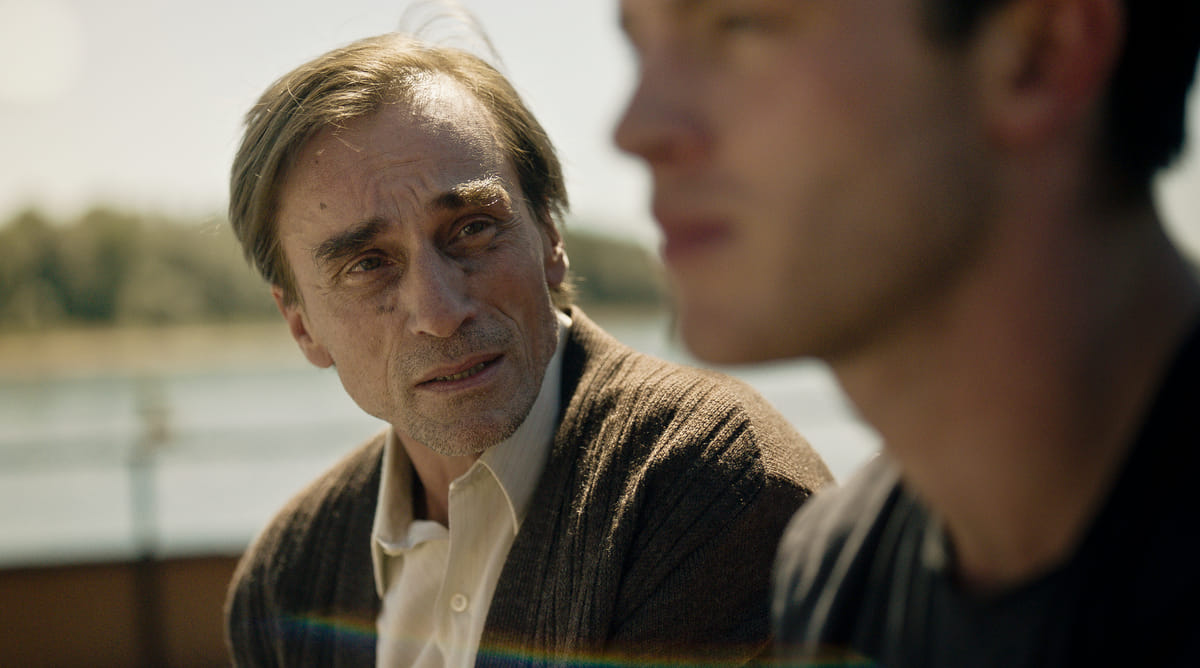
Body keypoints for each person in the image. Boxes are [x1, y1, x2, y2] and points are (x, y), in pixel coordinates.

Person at [615, 0, 1200, 665]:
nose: (633, 130)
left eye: (739, 23)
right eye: (640, 45)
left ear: (1040, 56)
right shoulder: (832, 575)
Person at [223, 31, 832, 667]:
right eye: (369, 264)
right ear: (301, 325)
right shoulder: (284, 580)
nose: (440, 313)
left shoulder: (715, 492)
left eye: (472, 229)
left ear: (548, 234)